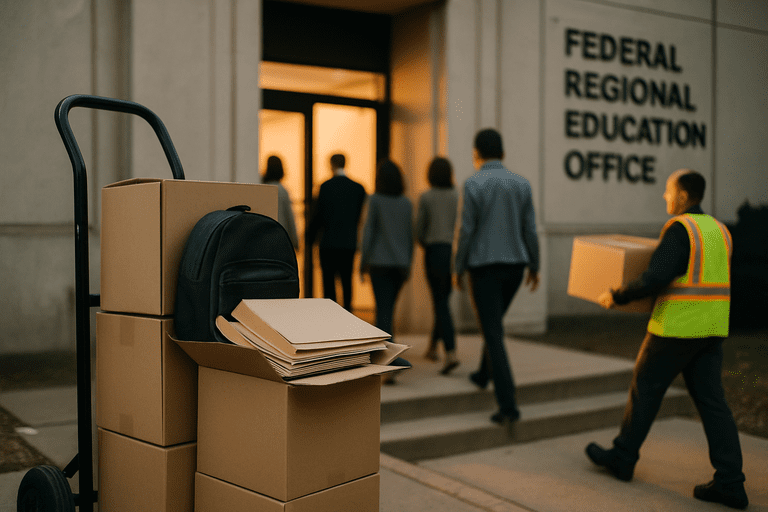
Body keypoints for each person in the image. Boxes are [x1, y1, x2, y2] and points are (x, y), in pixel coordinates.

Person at [586, 169, 748, 510]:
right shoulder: (720, 231)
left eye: (668, 191)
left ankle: (623, 457)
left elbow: (656, 276)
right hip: (712, 330)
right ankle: (731, 482)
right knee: (713, 404)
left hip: (676, 328)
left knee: (644, 389)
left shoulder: (680, 230)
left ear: (684, 197)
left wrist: (617, 295)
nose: (664, 197)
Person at [454, 128, 540, 424]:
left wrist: (458, 267)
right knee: (492, 324)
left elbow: (465, 231)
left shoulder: (472, 183)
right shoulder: (522, 184)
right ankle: (482, 373)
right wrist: (535, 265)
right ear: (502, 152)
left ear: (476, 153)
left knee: (492, 331)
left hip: (484, 268)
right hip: (515, 268)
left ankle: (508, 406)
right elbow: (530, 229)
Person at [360, 159, 413, 383]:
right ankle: (392, 360)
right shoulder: (406, 203)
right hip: (400, 265)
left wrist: (363, 261)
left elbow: (369, 232)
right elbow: (410, 236)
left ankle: (387, 364)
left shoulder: (375, 200)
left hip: (380, 263)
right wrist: (408, 263)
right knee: (388, 311)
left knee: (383, 313)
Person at [415, 157, 460, 375]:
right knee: (442, 300)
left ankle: (451, 352)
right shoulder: (456, 195)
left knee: (440, 303)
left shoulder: (426, 197)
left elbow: (419, 231)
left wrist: (424, 242)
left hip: (433, 252)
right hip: (451, 251)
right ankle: (433, 347)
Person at [308, 153, 367, 311]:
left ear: (331, 164)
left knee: (328, 285)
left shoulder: (325, 187)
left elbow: (317, 216)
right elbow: (360, 216)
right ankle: (348, 313)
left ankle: (331, 317)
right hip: (348, 242)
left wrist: (309, 238)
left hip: (328, 242)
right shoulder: (358, 188)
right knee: (347, 282)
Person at [262, 155, 299, 250]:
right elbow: (289, 217)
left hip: (264, 236)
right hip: (280, 236)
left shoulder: (262, 189)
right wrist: (295, 241)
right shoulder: (282, 190)